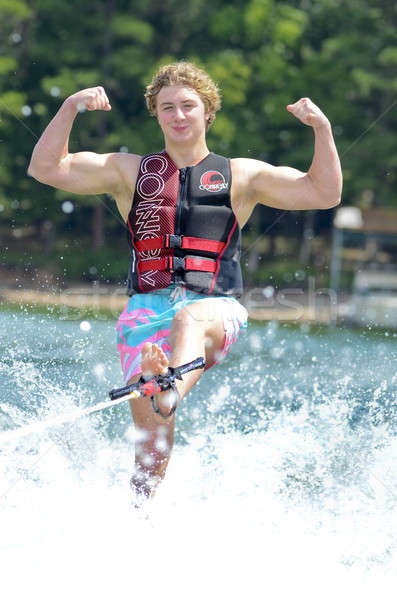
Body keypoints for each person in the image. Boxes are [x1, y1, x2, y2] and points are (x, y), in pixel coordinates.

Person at [28, 61, 342, 504]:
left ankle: (169, 387)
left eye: (188, 106)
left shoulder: (243, 176)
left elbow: (323, 192)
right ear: (155, 114)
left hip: (215, 309)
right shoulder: (128, 172)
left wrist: (322, 129)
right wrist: (70, 108)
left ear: (208, 111)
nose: (178, 115)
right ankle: (141, 519)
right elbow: (47, 168)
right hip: (145, 312)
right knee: (151, 443)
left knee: (188, 324)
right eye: (167, 107)